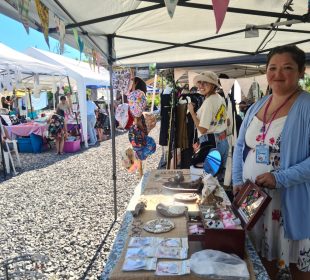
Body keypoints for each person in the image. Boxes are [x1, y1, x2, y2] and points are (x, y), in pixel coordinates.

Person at [232, 45, 310, 279]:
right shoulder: (258, 105)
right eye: (273, 68)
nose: (278, 74)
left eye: (287, 68)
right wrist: (237, 180)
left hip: (288, 201)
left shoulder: (306, 106)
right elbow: (239, 146)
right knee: (259, 257)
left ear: (301, 72)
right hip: (253, 197)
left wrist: (279, 178)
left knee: (295, 264)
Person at [188, 71, 229, 179]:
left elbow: (202, 129)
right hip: (222, 141)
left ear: (213, 85)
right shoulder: (220, 98)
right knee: (217, 178)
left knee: (206, 179)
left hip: (211, 142)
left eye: (205, 83)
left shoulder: (209, 102)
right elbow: (226, 121)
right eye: (200, 83)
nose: (201, 86)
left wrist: (192, 112)